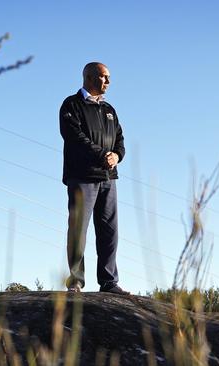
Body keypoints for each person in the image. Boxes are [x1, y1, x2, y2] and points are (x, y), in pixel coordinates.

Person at [59, 62, 129, 295]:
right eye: (103, 77)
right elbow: (74, 137)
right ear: (89, 77)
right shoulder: (72, 105)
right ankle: (76, 281)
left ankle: (109, 282)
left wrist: (116, 156)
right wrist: (102, 155)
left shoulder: (110, 109)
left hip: (109, 178)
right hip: (82, 177)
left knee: (110, 231)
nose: (108, 81)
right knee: (78, 229)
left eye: (109, 77)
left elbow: (119, 139)